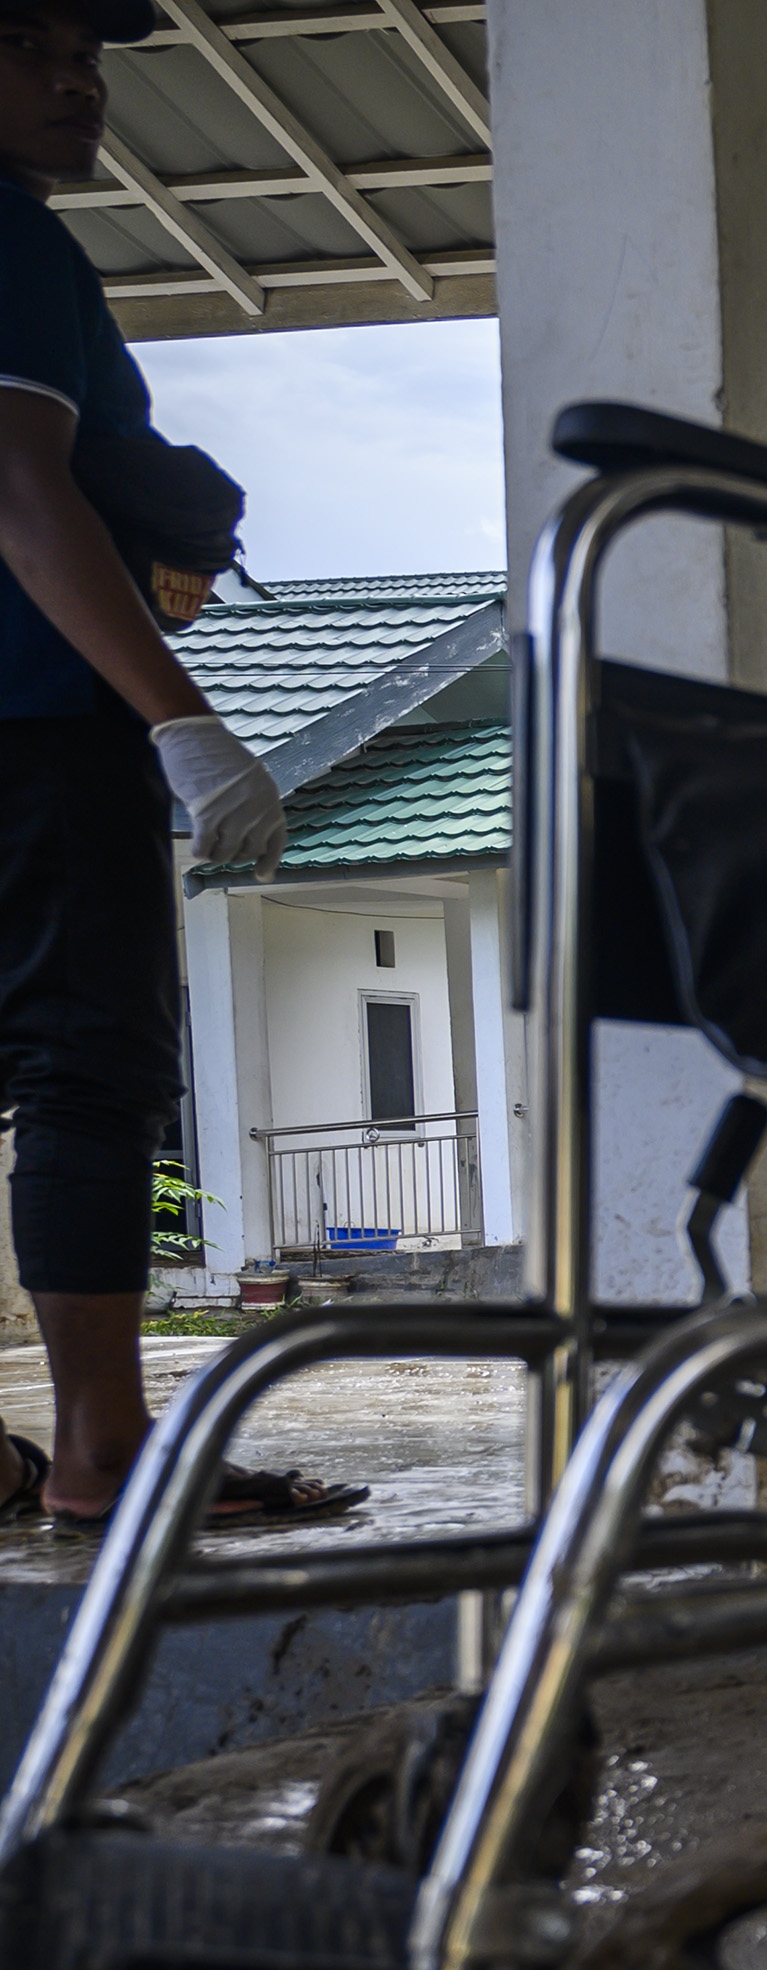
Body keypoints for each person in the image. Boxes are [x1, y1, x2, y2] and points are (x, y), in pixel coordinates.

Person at [0, 1, 358, 1532]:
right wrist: (179, 718)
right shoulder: (13, 243)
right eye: (30, 43)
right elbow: (17, 486)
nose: (79, 78)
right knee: (90, 1068)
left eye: (90, 50)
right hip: (32, 726)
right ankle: (105, 1450)